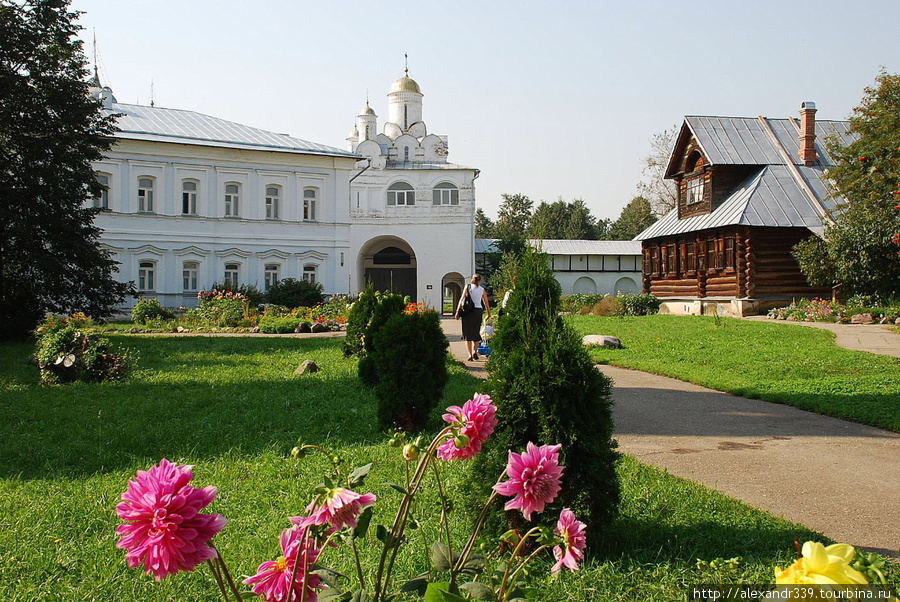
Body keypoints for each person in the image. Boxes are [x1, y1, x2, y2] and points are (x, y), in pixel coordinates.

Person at [456, 274, 490, 361]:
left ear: (472, 279)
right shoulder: (482, 289)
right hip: (478, 312)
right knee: (476, 333)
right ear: (479, 280)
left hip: (468, 312)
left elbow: (462, 299)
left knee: (467, 334)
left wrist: (457, 311)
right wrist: (489, 314)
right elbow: (486, 303)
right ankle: (475, 351)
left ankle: (469, 355)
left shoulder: (468, 287)